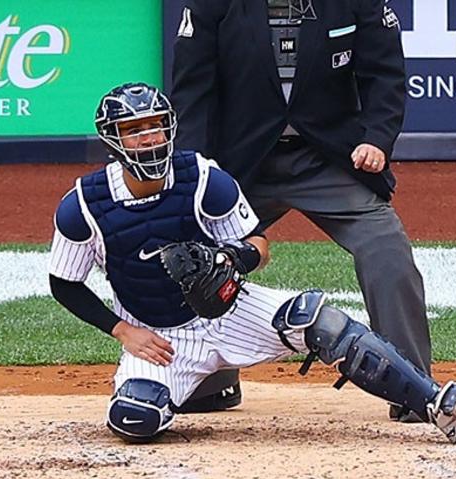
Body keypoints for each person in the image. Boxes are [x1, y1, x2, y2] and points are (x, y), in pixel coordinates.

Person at [47, 83, 456, 444]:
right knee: (135, 418)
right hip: (159, 337)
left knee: (324, 325)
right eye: (134, 130)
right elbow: (64, 282)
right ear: (112, 139)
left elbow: (259, 243)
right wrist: (124, 332)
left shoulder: (202, 178)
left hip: (232, 310)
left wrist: (233, 257)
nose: (149, 139)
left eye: (156, 128)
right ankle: (190, 390)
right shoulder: (84, 206)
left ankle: (434, 402)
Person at [171, 0, 433, 424]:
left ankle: (414, 387)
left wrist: (377, 140)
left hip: (327, 157)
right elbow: (192, 91)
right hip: (242, 163)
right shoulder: (212, 5)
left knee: (387, 247)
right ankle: (203, 382)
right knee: (193, 251)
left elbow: (384, 75)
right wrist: (199, 170)